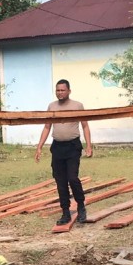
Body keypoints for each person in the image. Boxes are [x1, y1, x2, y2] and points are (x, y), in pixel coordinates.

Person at [35, 80, 93, 225]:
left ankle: (81, 207)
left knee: (72, 178)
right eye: (58, 90)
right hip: (57, 147)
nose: (60, 93)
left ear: (69, 91)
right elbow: (47, 127)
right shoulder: (52, 106)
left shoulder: (77, 105)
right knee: (60, 181)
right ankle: (65, 212)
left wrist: (89, 145)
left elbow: (85, 126)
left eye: (63, 90)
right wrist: (39, 146)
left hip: (73, 146)